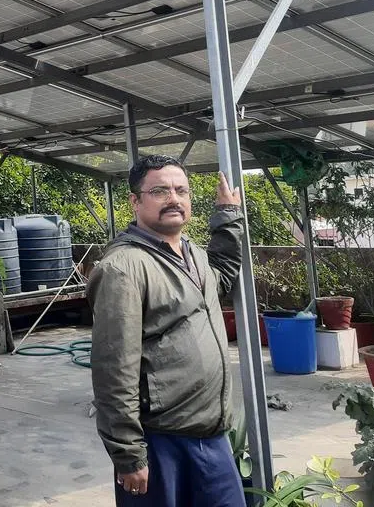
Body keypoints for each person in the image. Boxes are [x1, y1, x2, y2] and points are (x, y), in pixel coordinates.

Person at [87, 155, 246, 506]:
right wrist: (128, 455)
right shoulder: (124, 268)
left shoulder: (194, 256)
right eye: (160, 191)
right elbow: (114, 369)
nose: (173, 198)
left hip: (212, 434)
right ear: (135, 201)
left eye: (181, 190)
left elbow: (221, 274)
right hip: (161, 440)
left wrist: (228, 217)